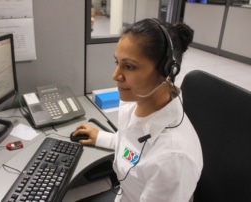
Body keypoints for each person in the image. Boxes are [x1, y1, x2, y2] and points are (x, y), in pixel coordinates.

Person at [72, 18, 203, 202]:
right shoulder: (136, 102)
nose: (115, 75)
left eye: (129, 66)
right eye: (116, 62)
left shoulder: (173, 159)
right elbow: (132, 145)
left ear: (167, 71)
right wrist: (102, 137)